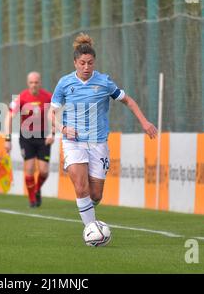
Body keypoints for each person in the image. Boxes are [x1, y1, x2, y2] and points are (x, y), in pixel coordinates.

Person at [49, 33, 157, 229]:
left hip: (98, 142)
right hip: (73, 142)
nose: (86, 67)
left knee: (96, 195)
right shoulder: (64, 83)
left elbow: (129, 101)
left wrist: (145, 122)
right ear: (75, 62)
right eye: (82, 63)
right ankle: (91, 230)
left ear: (94, 62)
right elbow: (51, 114)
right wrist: (63, 128)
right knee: (81, 188)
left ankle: (88, 212)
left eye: (90, 63)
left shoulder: (104, 82)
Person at [4, 71, 54, 208]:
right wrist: (7, 139)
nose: (34, 85)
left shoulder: (48, 97)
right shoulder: (21, 98)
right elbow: (8, 117)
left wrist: (53, 133)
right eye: (31, 82)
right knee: (30, 168)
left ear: (40, 83)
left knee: (44, 171)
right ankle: (32, 200)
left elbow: (55, 114)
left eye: (36, 82)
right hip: (26, 137)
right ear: (28, 83)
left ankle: (37, 190)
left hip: (43, 136)